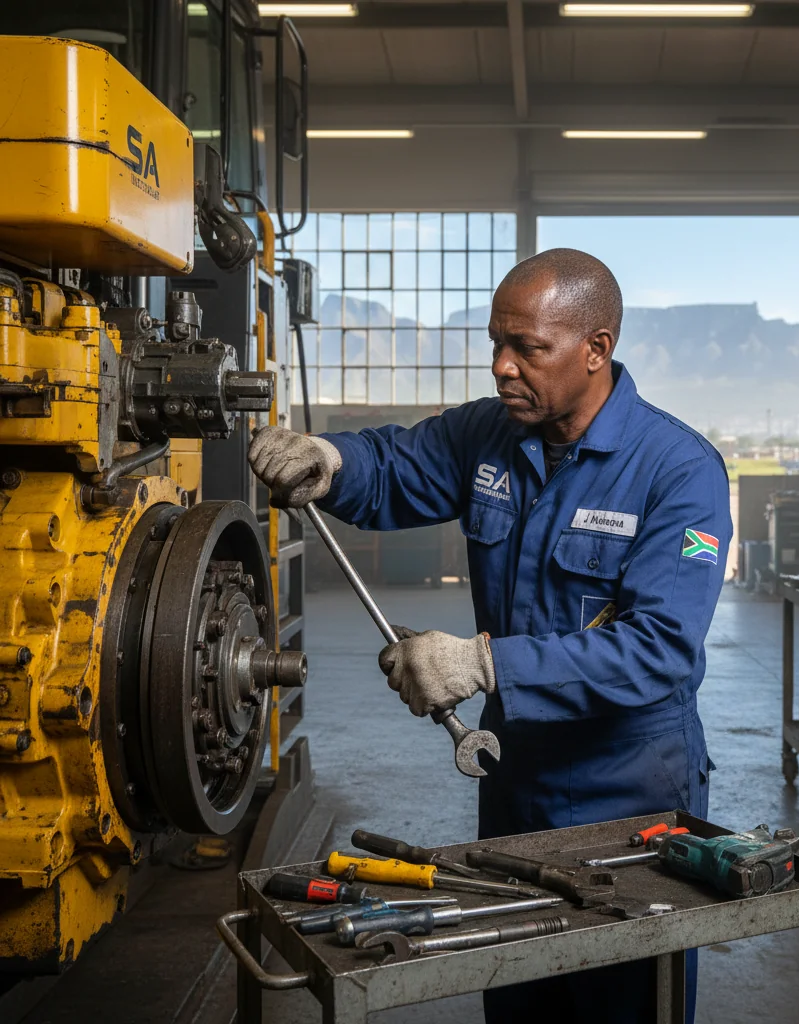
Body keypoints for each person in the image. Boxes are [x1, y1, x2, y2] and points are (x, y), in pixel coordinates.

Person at [249, 248, 731, 1024]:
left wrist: (480, 663)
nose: (503, 367)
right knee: (519, 994)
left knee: (623, 998)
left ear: (597, 349)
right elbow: (399, 462)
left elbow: (660, 648)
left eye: (528, 349)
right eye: (495, 345)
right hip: (515, 781)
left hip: (629, 791)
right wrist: (331, 459)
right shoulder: (492, 435)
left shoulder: (678, 472)